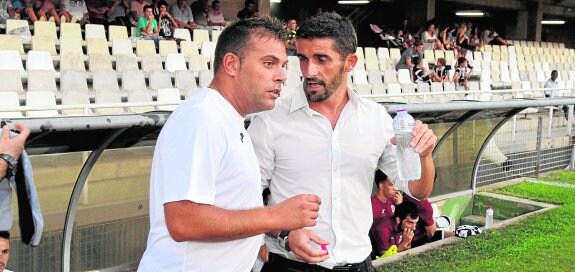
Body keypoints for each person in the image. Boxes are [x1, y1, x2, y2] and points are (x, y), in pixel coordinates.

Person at [248, 12, 437, 271]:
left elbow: (418, 190)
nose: (309, 71)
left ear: (350, 62)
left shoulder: (375, 118)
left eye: (321, 59)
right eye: (303, 58)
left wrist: (425, 156)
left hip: (360, 265)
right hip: (291, 265)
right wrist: (282, 235)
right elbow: (245, 200)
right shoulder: (270, 120)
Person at [137, 16, 322, 272]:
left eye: (282, 65)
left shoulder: (229, 119)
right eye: (269, 63)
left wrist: (283, 232)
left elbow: (234, 210)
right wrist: (276, 215)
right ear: (232, 64)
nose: (282, 76)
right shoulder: (202, 117)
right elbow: (183, 221)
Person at [369, 170, 403, 256]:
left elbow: (403, 221)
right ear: (381, 186)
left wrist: (400, 206)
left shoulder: (394, 200)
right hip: (382, 249)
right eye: (392, 185)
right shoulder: (372, 205)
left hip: (398, 243)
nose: (395, 189)